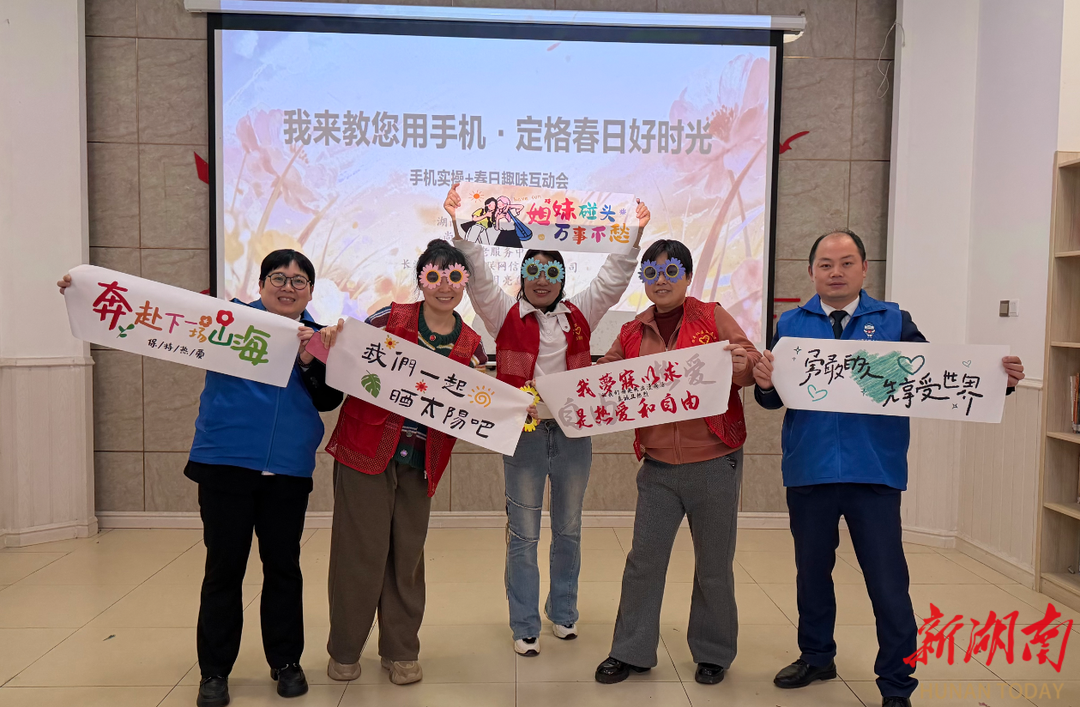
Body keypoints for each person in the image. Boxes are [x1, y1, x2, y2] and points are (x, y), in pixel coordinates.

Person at [752, 230, 1025, 707]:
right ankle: (816, 656)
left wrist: (996, 381)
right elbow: (774, 398)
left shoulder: (894, 321)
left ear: (864, 269)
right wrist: (764, 384)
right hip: (810, 470)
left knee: (887, 582)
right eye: (825, 264)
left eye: (846, 262)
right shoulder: (790, 323)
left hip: (874, 472)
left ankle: (897, 682)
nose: (836, 272)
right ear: (811, 272)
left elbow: (932, 380)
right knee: (811, 575)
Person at [59, 249, 344, 707]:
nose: (288, 287)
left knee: (283, 569)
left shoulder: (321, 338)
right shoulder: (226, 322)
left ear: (310, 291)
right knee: (224, 569)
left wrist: (309, 358)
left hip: (288, 471)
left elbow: (328, 401)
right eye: (278, 277)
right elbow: (155, 312)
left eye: (299, 281)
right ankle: (214, 672)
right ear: (261, 284)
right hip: (225, 464)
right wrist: (83, 291)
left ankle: (286, 662)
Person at [444, 182, 651, 656]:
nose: (542, 279)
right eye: (533, 270)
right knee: (523, 534)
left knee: (569, 529)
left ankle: (563, 612)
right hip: (524, 437)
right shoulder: (503, 314)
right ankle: (524, 624)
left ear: (561, 278)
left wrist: (634, 232)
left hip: (574, 435)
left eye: (551, 271)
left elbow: (613, 277)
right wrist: (459, 224)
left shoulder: (580, 314)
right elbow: (478, 276)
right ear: (522, 276)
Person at [590, 240, 760, 686]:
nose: (660, 281)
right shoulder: (632, 332)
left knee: (713, 566)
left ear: (687, 276)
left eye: (670, 272)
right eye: (651, 272)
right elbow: (602, 380)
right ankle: (630, 651)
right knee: (643, 562)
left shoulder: (712, 316)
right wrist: (556, 395)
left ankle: (713, 652)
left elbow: (750, 364)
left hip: (715, 460)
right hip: (659, 468)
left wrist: (742, 363)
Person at [321, 239, 488, 686]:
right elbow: (346, 362)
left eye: (454, 277)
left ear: (465, 283)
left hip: (421, 462)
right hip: (365, 450)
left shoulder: (472, 347)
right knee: (359, 553)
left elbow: (476, 405)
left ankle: (400, 651)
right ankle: (345, 649)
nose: (445, 286)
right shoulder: (386, 320)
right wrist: (333, 339)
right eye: (434, 276)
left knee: (407, 559)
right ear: (421, 280)